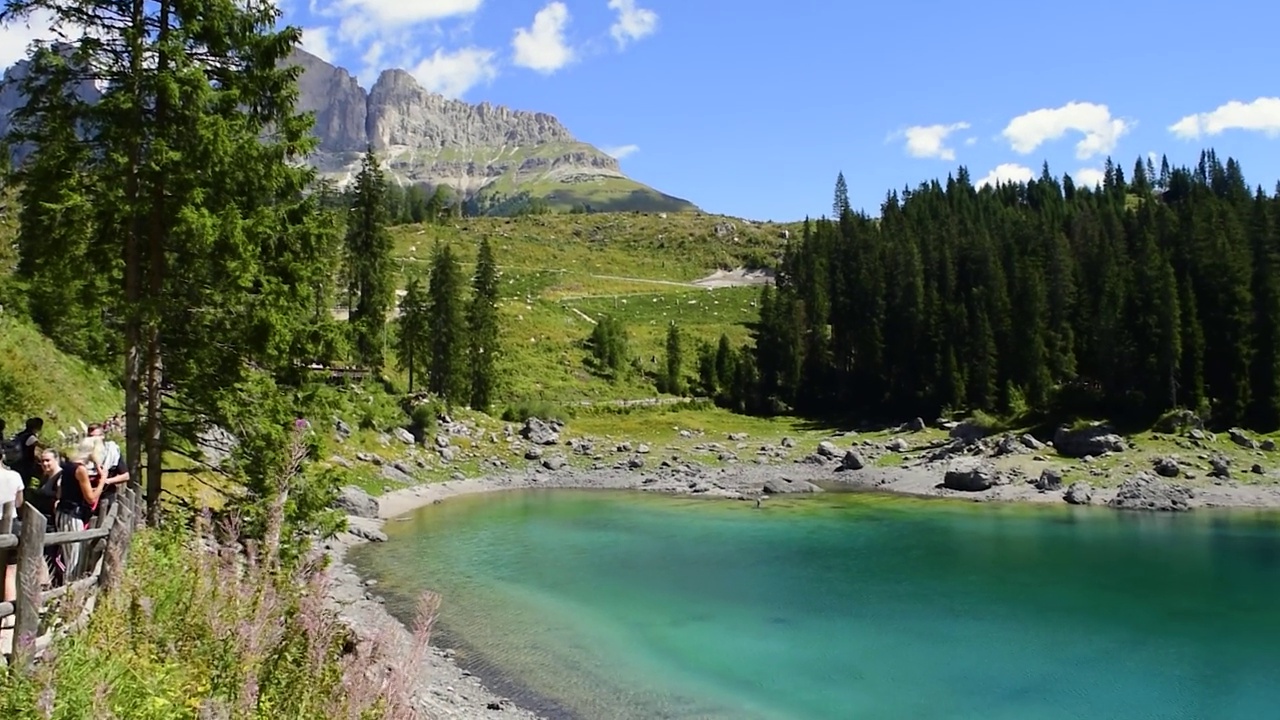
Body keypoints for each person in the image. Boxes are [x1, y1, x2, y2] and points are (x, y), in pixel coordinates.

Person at [43, 443, 103, 582]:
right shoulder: (80, 469)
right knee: (75, 558)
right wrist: (103, 481)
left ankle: (66, 589)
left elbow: (61, 491)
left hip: (63, 512)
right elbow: (91, 498)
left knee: (68, 554)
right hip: (73, 516)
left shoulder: (68, 466)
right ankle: (70, 592)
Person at [87, 425, 128, 520]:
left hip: (106, 498)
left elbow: (125, 476)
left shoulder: (112, 453)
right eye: (90, 436)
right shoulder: (83, 454)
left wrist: (107, 481)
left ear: (102, 436)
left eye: (96, 436)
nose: (93, 439)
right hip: (86, 499)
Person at [0, 454, 23, 616]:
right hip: (11, 524)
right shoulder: (15, 476)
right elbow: (19, 502)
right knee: (10, 569)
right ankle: (9, 613)